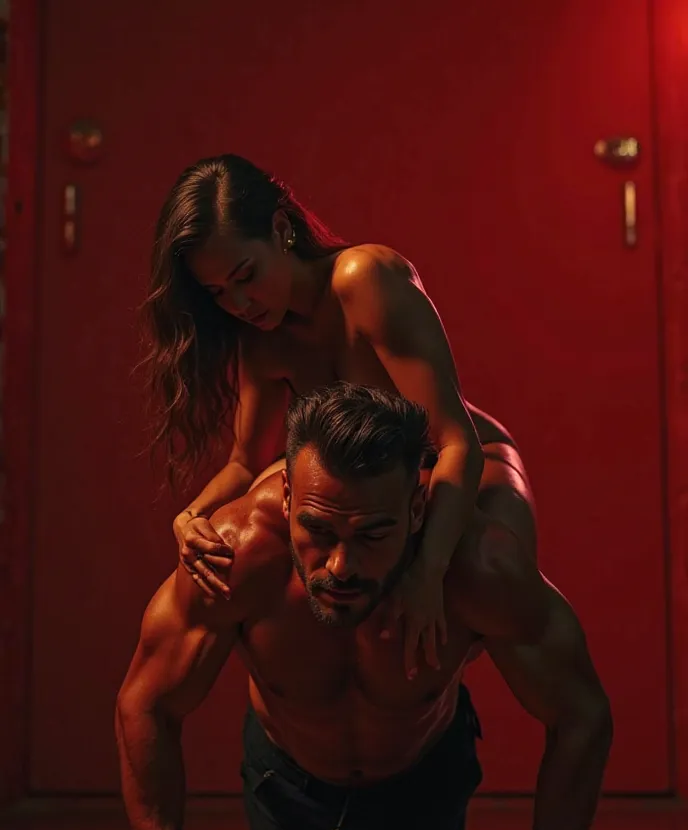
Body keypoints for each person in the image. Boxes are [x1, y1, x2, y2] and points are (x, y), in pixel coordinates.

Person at [87, 385, 612, 830]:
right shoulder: (235, 556)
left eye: (372, 535)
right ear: (287, 498)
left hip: (425, 767)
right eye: (318, 530)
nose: (340, 565)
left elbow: (582, 713)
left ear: (416, 510)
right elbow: (146, 701)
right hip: (288, 775)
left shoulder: (477, 566)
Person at [141, 152, 537, 676]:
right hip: (391, 483)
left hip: (472, 459)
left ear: (281, 229)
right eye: (218, 293)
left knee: (474, 580)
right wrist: (189, 517)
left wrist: (427, 572)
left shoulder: (364, 279)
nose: (238, 302)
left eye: (246, 275)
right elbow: (245, 462)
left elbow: (453, 442)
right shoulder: (261, 339)